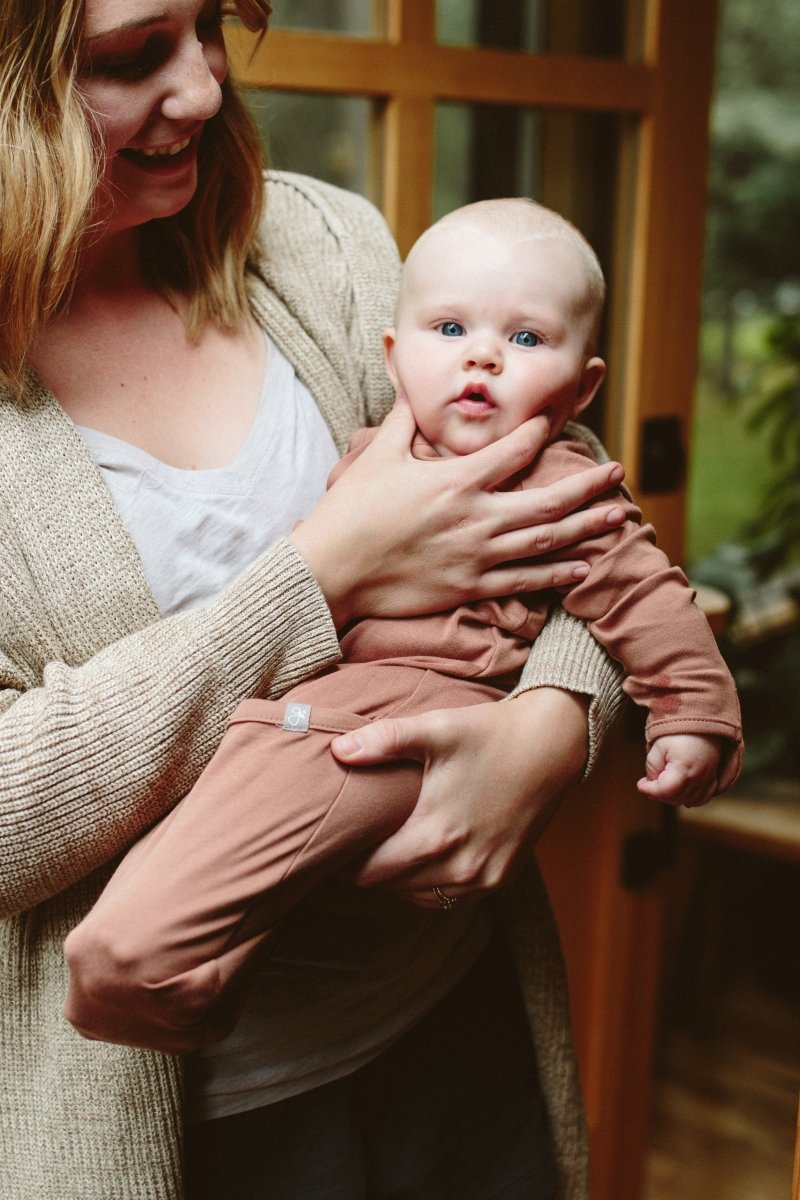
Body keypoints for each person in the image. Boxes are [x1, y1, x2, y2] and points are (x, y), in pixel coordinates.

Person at [0, 3, 636, 1199]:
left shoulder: (322, 244)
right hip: (201, 1127)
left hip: (454, 1027)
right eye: (134, 56)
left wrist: (548, 726)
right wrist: (320, 571)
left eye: (206, 25)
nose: (201, 89)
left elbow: (568, 490)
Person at [64, 196, 743, 1060]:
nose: (484, 357)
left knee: (133, 938)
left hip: (401, 720)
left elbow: (646, 595)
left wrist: (696, 714)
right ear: (394, 356)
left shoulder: (563, 482)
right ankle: (187, 973)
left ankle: (139, 983)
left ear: (584, 385)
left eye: (527, 339)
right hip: (320, 710)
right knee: (224, 838)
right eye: (450, 328)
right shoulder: (381, 449)